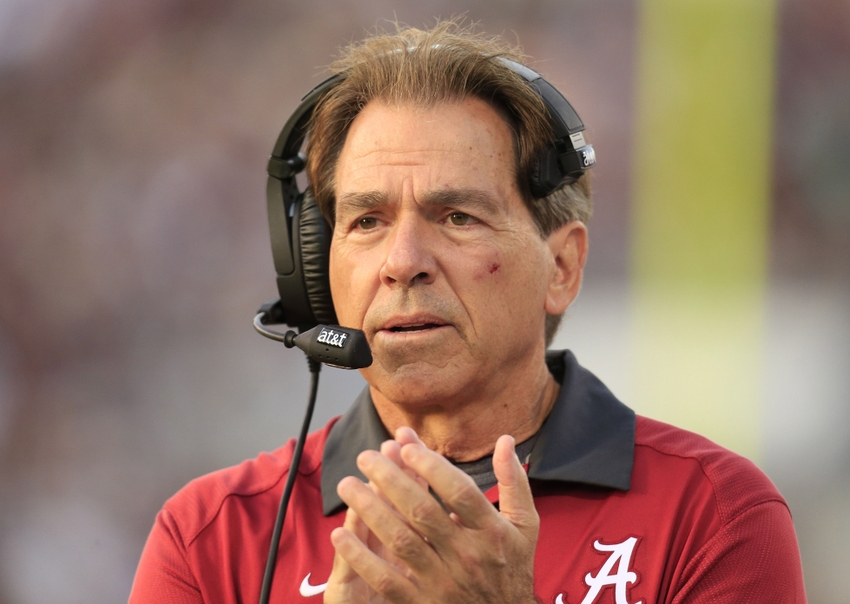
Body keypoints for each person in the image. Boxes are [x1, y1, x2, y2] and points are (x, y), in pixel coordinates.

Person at [129, 21, 807, 604]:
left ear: (562, 268)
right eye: (366, 221)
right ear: (315, 265)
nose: (402, 261)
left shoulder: (717, 516)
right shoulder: (208, 541)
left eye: (456, 217)